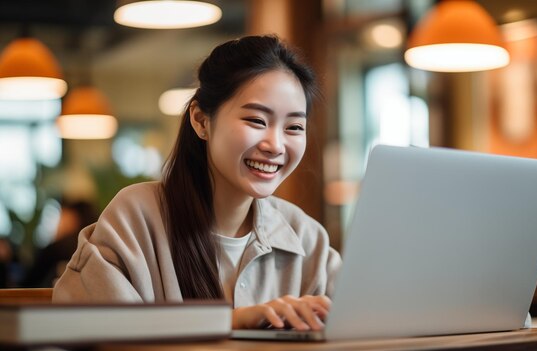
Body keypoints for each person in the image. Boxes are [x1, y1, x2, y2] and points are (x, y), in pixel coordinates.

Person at [52, 35, 342, 332]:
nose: (275, 145)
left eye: (294, 127)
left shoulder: (307, 238)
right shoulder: (136, 217)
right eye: (256, 120)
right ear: (201, 120)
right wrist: (231, 322)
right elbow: (83, 329)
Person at [21, 200, 98, 288]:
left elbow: (27, 284)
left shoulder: (56, 250)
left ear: (73, 218)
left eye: (61, 216)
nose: (58, 223)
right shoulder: (96, 251)